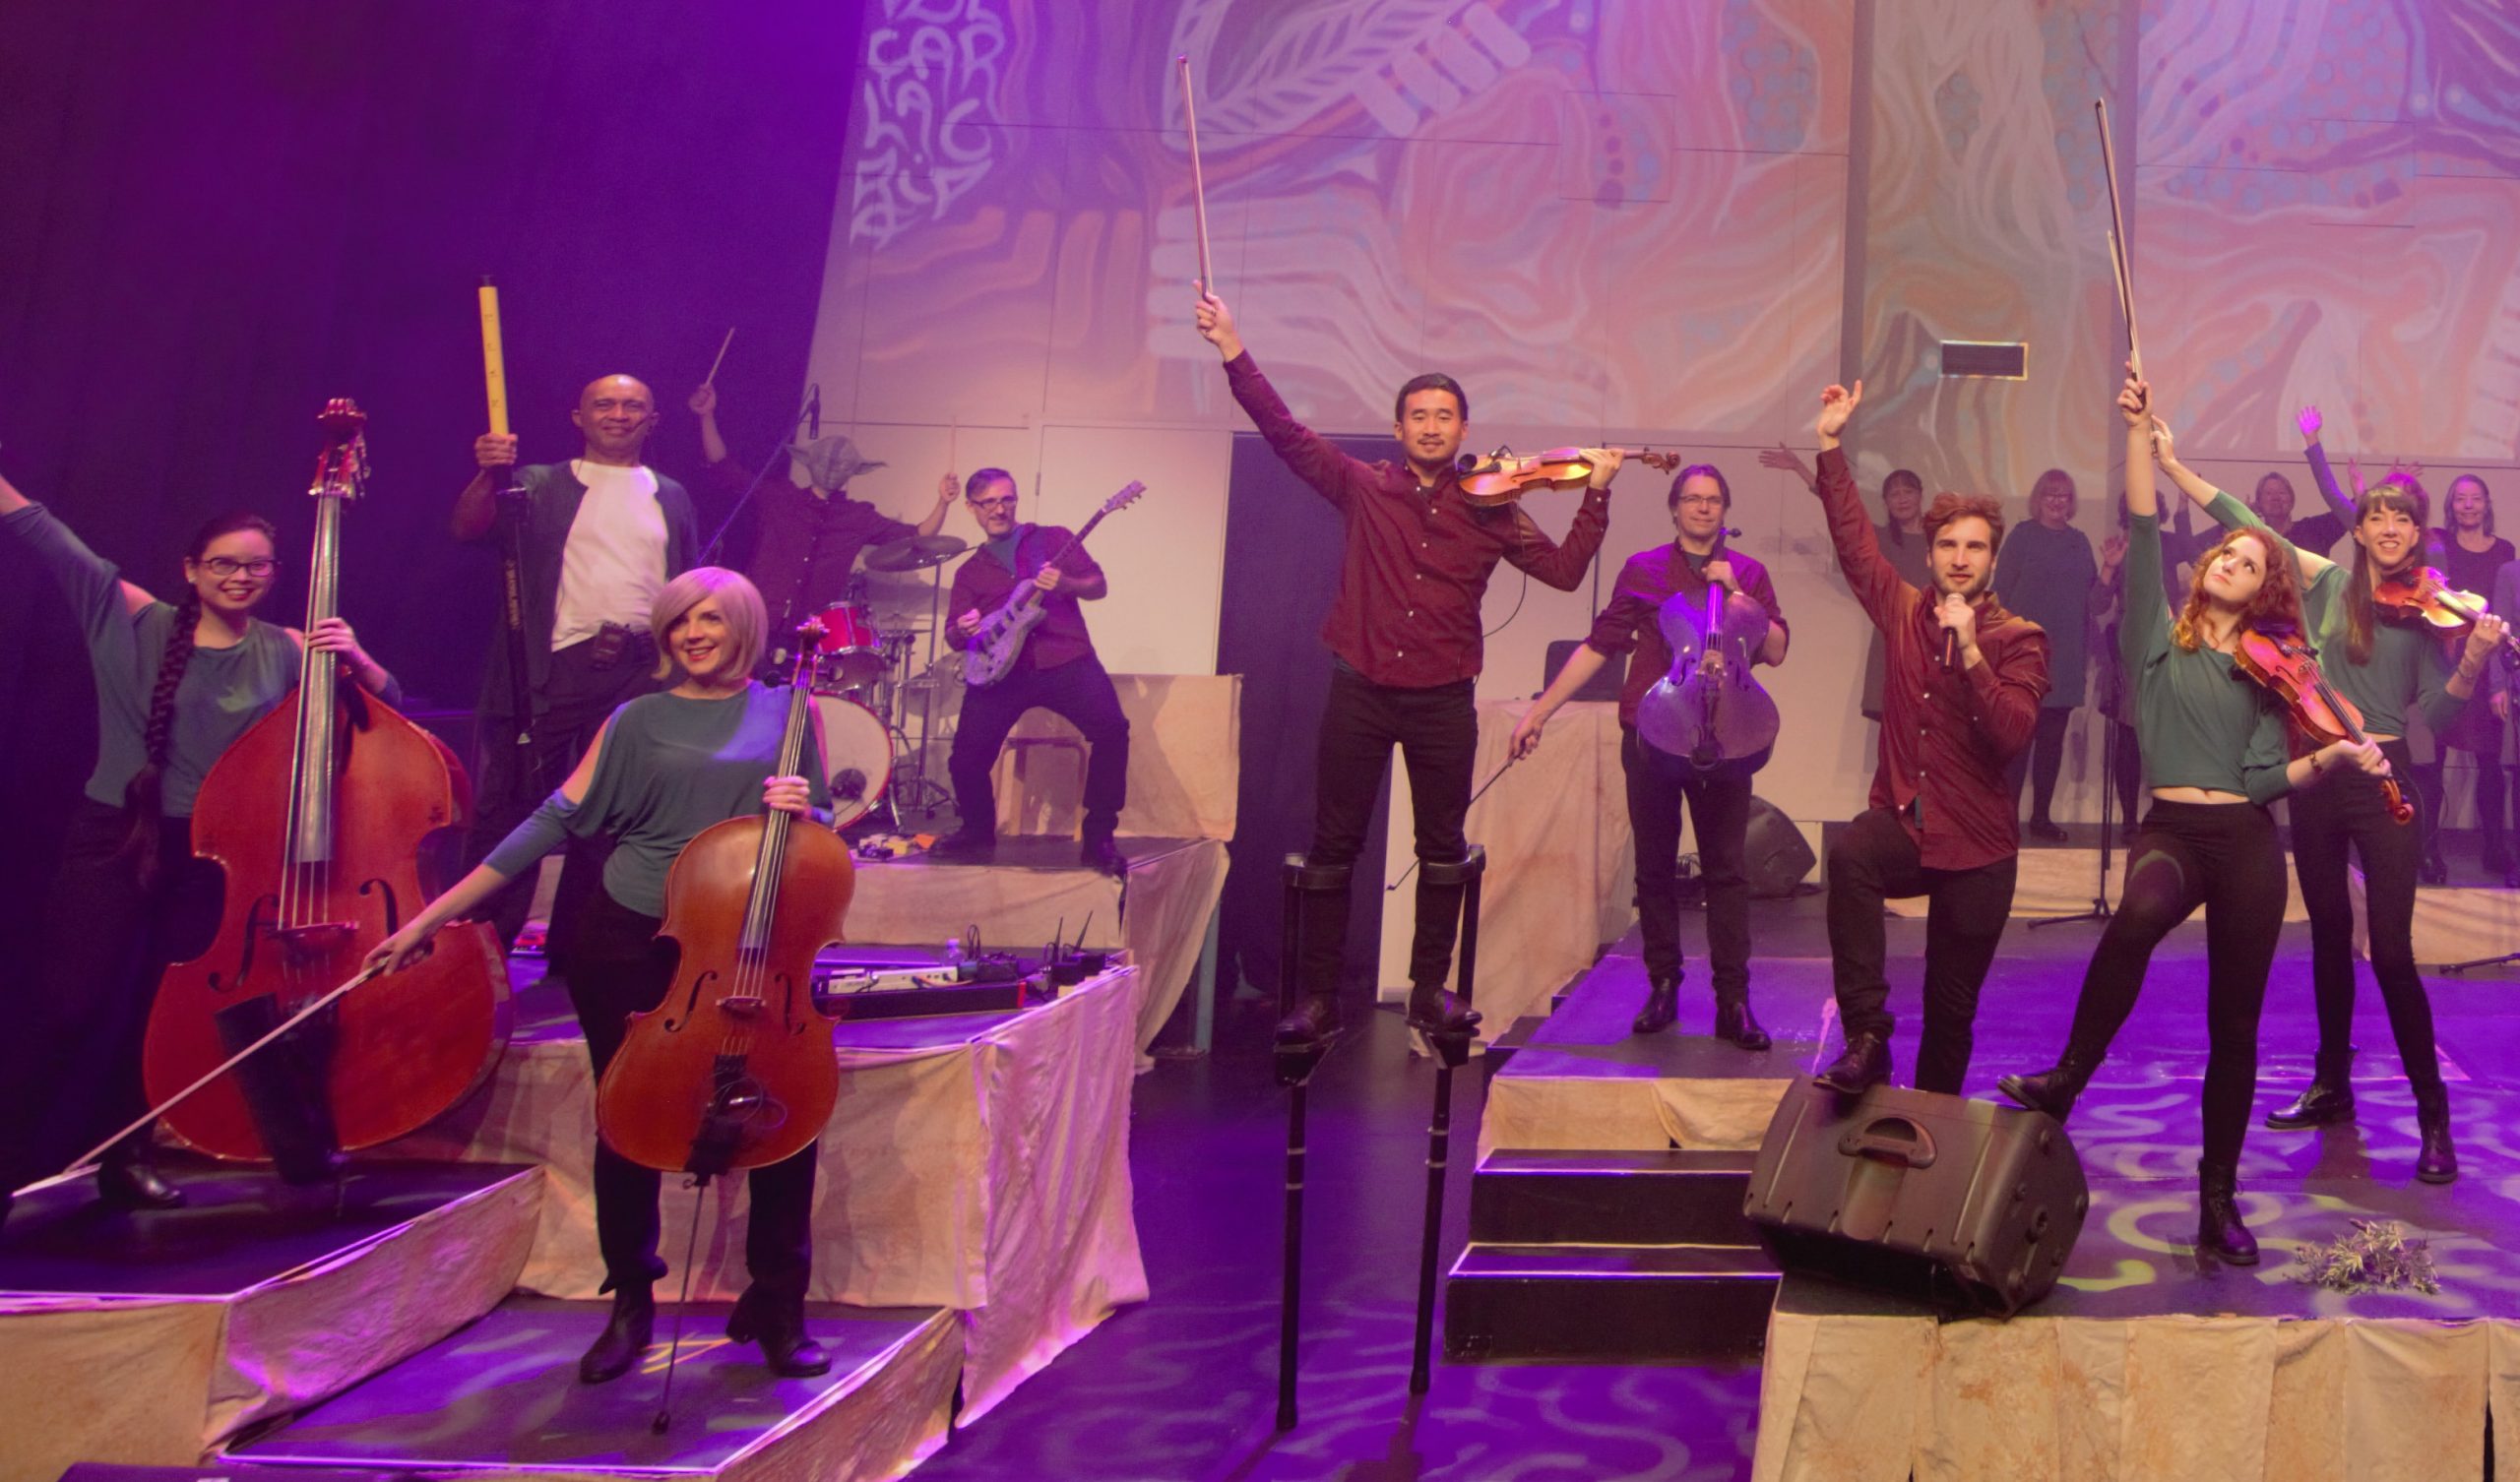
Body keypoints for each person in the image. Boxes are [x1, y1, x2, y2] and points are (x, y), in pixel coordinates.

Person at [365, 568, 833, 1384]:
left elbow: (821, 827)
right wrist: (432, 917)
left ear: (746, 628)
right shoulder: (634, 718)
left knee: (776, 1113)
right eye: (679, 620)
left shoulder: (793, 709)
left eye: (710, 619)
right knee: (630, 1119)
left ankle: (778, 1302)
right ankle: (631, 1303)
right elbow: (551, 820)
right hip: (630, 934)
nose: (692, 634)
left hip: (750, 940)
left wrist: (811, 811)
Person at [2002, 370, 2397, 1265]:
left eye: (2250, 564)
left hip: (2247, 842)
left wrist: (2333, 756)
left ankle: (2217, 1200)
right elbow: (2146, 526)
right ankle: (2067, 1079)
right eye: (2226, 554)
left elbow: (2261, 777)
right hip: (2172, 833)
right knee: (2136, 918)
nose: (2232, 563)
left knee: (2235, 1027)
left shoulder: (2268, 666)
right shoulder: (2155, 632)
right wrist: (2144, 437)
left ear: (2263, 589)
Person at [1195, 287, 1616, 1047]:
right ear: (1398, 429)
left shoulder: (1493, 508)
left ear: (1463, 430)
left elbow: (1562, 572)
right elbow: (1285, 433)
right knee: (1334, 848)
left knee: (1442, 851)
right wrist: (1232, 346)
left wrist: (1597, 497)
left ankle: (1428, 993)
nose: (1430, 426)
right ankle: (1320, 998)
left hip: (1443, 699)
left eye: (1444, 416)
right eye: (1418, 416)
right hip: (1359, 689)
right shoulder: (1364, 485)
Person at [0, 473, 398, 1211]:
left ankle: (127, 1158)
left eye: (256, 566)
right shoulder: (131, 618)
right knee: (69, 1006)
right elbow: (48, 538)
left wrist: (361, 660)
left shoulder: (288, 648)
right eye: (223, 563)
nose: (240, 577)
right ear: (191, 569)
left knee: (162, 1015)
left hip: (219, 856)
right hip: (117, 837)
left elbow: (385, 717)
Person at [2170, 430, 2499, 1179]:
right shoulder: (2324, 582)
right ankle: (2331, 1085)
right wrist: (2173, 465)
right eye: (2377, 516)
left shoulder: (2427, 615)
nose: (2389, 528)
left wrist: (2474, 661)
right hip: (2317, 775)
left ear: (2418, 532)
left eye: (2403, 519)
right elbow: (2242, 520)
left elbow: (2435, 717)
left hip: (2385, 778)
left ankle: (2433, 1117)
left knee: (2392, 951)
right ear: (2359, 527)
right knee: (2326, 940)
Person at [1798, 382, 2050, 1097]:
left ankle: (1933, 1124)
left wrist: (1970, 652)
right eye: (1947, 545)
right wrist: (1829, 444)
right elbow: (1855, 544)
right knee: (1852, 853)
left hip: (1979, 850)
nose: (1960, 558)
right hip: (1908, 826)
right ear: (1931, 554)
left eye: (1975, 547)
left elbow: (2012, 734)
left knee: (1950, 1011)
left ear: (1993, 558)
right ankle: (1867, 1038)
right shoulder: (1904, 609)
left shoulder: (2020, 638)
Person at [1511, 463, 1788, 1045]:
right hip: (1653, 731)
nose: (1703, 508)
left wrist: (1736, 593)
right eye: (1692, 499)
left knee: (1727, 871)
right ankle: (1663, 985)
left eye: (1713, 500)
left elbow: (1778, 649)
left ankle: (1733, 1000)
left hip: (1726, 735)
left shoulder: (1748, 572)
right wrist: (1541, 711)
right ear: (1675, 508)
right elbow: (1599, 645)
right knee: (1655, 867)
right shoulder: (1644, 569)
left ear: (1725, 510)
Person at [455, 375, 700, 949]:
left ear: (652, 420)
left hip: (639, 671)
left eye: (633, 405)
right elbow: (468, 529)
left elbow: (686, 585)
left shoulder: (671, 494)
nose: (619, 414)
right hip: (551, 670)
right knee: (512, 810)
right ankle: (479, 953)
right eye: (604, 404)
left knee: (613, 820)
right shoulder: (538, 482)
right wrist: (488, 474)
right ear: (579, 417)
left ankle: (583, 958)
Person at [927, 468, 1132, 876]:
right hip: (1002, 672)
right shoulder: (969, 572)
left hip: (1065, 659)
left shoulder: (1052, 539)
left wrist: (1067, 583)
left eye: (1007, 499)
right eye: (988, 502)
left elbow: (1098, 586)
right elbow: (953, 636)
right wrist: (963, 630)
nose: (999, 509)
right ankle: (977, 831)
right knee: (966, 758)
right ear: (971, 507)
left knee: (1112, 731)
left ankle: (1099, 836)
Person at [688, 384, 955, 649]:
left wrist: (943, 502)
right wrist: (706, 416)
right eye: (826, 461)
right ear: (810, 462)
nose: (831, 468)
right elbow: (725, 468)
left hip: (810, 632)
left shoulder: (857, 516)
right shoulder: (780, 497)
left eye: (841, 465)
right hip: (758, 620)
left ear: (852, 472)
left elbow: (917, 535)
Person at [1762, 446, 1922, 722]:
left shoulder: (1941, 538)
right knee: (1895, 727)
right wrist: (1800, 468)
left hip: (1933, 638)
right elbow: (1839, 508)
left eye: (1907, 491)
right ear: (1886, 502)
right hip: (1893, 640)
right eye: (1894, 494)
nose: (1902, 499)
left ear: (1920, 495)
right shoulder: (1880, 539)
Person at [1999, 469, 2098, 841]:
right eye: (2050, 494)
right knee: (2018, 743)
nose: (2057, 501)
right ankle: (2005, 821)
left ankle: (2041, 817)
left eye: (2063, 495)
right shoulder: (2022, 536)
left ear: (2071, 503)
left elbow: (2093, 601)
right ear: (2038, 499)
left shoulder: (2079, 543)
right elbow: (2000, 594)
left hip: (2065, 658)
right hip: (2023, 656)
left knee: (2051, 743)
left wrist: (2109, 571)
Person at [2423, 471, 2511, 877]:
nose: (2469, 505)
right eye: (2461, 498)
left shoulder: (2505, 550)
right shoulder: (2438, 545)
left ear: (2487, 504)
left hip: (2488, 664)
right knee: (2433, 760)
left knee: (2490, 762)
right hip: (2444, 660)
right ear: (2451, 506)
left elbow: (2505, 610)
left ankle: (2494, 847)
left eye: (2475, 498)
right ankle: (2429, 851)